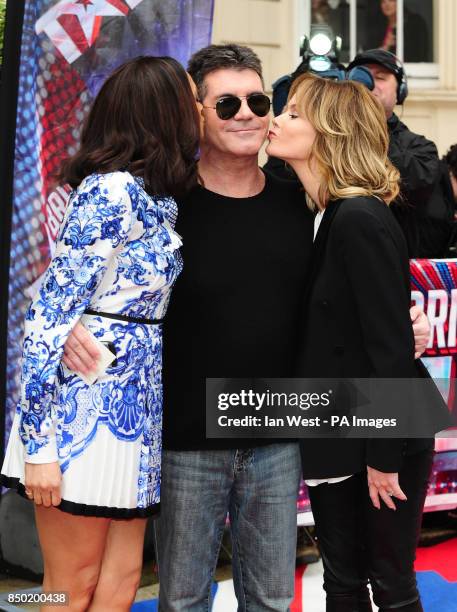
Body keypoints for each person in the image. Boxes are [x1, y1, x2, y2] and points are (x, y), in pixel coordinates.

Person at [62, 45, 430, 612]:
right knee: (181, 600)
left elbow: (349, 299)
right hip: (188, 441)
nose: (249, 113)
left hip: (280, 435)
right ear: (198, 113)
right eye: (227, 101)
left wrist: (406, 327)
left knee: (276, 599)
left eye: (260, 100)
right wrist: (69, 326)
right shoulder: (163, 205)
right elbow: (89, 278)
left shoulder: (306, 205)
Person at [0, 56, 200, 611]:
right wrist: (39, 448)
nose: (201, 109)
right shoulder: (109, 190)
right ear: (164, 112)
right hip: (79, 416)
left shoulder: (158, 198)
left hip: (134, 415)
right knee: (71, 583)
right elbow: (46, 321)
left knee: (122, 579)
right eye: (192, 98)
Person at [266, 72, 445, 612]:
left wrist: (383, 457)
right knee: (342, 581)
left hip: (379, 435)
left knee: (389, 585)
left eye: (293, 113)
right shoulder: (324, 212)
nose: (276, 119)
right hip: (335, 424)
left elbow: (388, 346)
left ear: (331, 132)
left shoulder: (359, 216)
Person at [347, 49, 446, 258]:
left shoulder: (421, 148)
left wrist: (368, 124)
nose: (368, 84)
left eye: (380, 77)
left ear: (400, 90)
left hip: (388, 262)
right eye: (362, 76)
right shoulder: (329, 135)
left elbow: (413, 186)